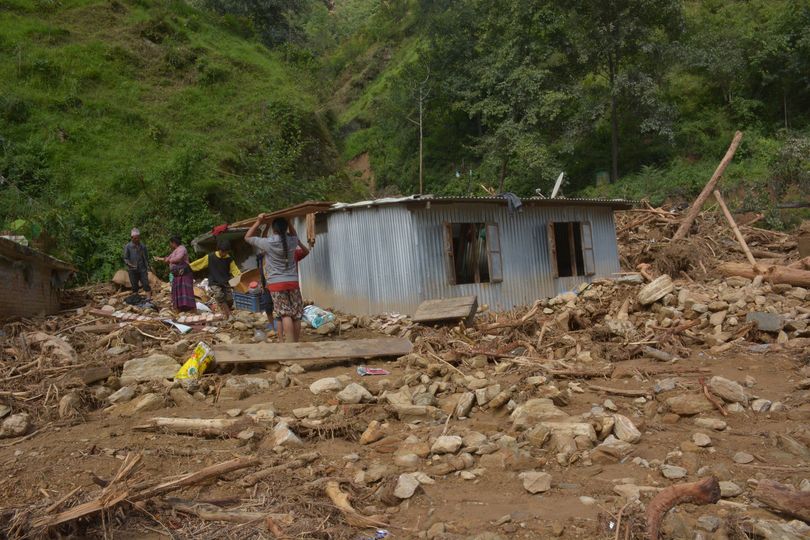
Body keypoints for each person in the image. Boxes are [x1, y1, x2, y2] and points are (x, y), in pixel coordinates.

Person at [245, 215, 309, 342]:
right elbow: (294, 235)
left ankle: (290, 346)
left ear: (273, 229)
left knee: (285, 314)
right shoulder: (293, 240)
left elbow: (247, 237)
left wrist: (258, 221)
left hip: (276, 284)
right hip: (293, 282)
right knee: (296, 315)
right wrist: (289, 222)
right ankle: (296, 344)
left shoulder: (268, 242)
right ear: (286, 228)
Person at [190, 237, 240, 318]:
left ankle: (226, 312)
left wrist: (240, 277)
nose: (224, 253)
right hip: (214, 281)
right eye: (222, 251)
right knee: (219, 296)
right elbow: (198, 264)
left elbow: (235, 270)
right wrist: (188, 267)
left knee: (229, 299)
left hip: (225, 281)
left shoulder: (229, 259)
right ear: (218, 249)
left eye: (226, 252)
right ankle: (229, 315)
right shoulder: (210, 257)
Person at [155, 236, 196, 312]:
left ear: (174, 243)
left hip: (184, 274)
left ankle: (190, 308)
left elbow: (178, 258)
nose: (170, 245)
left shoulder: (182, 249)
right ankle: (180, 308)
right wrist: (160, 258)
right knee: (178, 291)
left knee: (186, 291)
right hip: (177, 275)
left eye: (171, 243)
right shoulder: (175, 251)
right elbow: (167, 259)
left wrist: (169, 260)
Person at [123, 228, 152, 300]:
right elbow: (125, 258)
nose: (137, 240)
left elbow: (146, 257)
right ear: (132, 238)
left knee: (145, 283)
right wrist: (130, 264)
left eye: (138, 238)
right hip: (132, 269)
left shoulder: (142, 246)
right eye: (135, 238)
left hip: (142, 268)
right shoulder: (128, 246)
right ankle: (136, 299)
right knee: (134, 285)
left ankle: (148, 299)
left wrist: (148, 267)